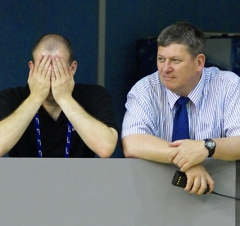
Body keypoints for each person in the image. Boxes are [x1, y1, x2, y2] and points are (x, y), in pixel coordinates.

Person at [122, 22, 240, 195]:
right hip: (156, 196)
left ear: (199, 62)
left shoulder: (228, 85)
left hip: (221, 196)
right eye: (161, 59)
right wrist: (187, 159)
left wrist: (206, 147)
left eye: (175, 60)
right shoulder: (145, 89)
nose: (165, 69)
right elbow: (132, 143)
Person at [0, 34, 118, 158]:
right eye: (43, 68)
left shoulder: (94, 95)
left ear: (72, 69)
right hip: (24, 176)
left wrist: (65, 98)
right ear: (31, 68)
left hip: (80, 176)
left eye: (58, 68)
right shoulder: (11, 97)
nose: (50, 75)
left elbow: (106, 148)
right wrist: (35, 97)